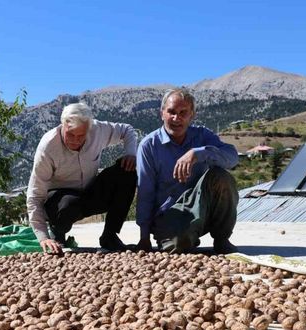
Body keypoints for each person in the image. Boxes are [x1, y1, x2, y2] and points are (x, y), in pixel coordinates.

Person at [135, 88, 239, 253]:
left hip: (204, 209)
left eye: (183, 112)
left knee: (221, 176)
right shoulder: (149, 146)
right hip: (171, 214)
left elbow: (232, 158)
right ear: (162, 113)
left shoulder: (202, 136)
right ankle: (186, 236)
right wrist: (144, 237)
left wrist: (198, 153)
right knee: (178, 246)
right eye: (171, 112)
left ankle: (222, 239)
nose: (177, 118)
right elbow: (145, 192)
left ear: (192, 115)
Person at [27, 102, 137, 254]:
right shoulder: (48, 147)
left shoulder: (97, 130)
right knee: (67, 205)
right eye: (70, 135)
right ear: (62, 125)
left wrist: (131, 153)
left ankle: (110, 236)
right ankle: (58, 232)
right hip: (61, 201)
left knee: (127, 172)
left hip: (90, 193)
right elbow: (35, 195)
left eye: (81, 136)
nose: (75, 141)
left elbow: (127, 130)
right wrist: (43, 237)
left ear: (89, 129)